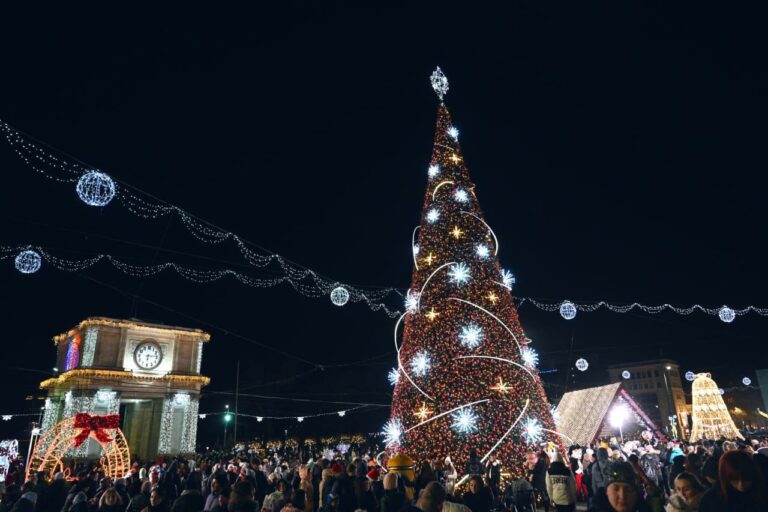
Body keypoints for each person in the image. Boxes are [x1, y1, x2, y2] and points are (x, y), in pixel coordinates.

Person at [698, 450, 766, 512]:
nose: (741, 485)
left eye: (746, 478)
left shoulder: (763, 493)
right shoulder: (711, 500)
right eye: (734, 480)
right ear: (725, 477)